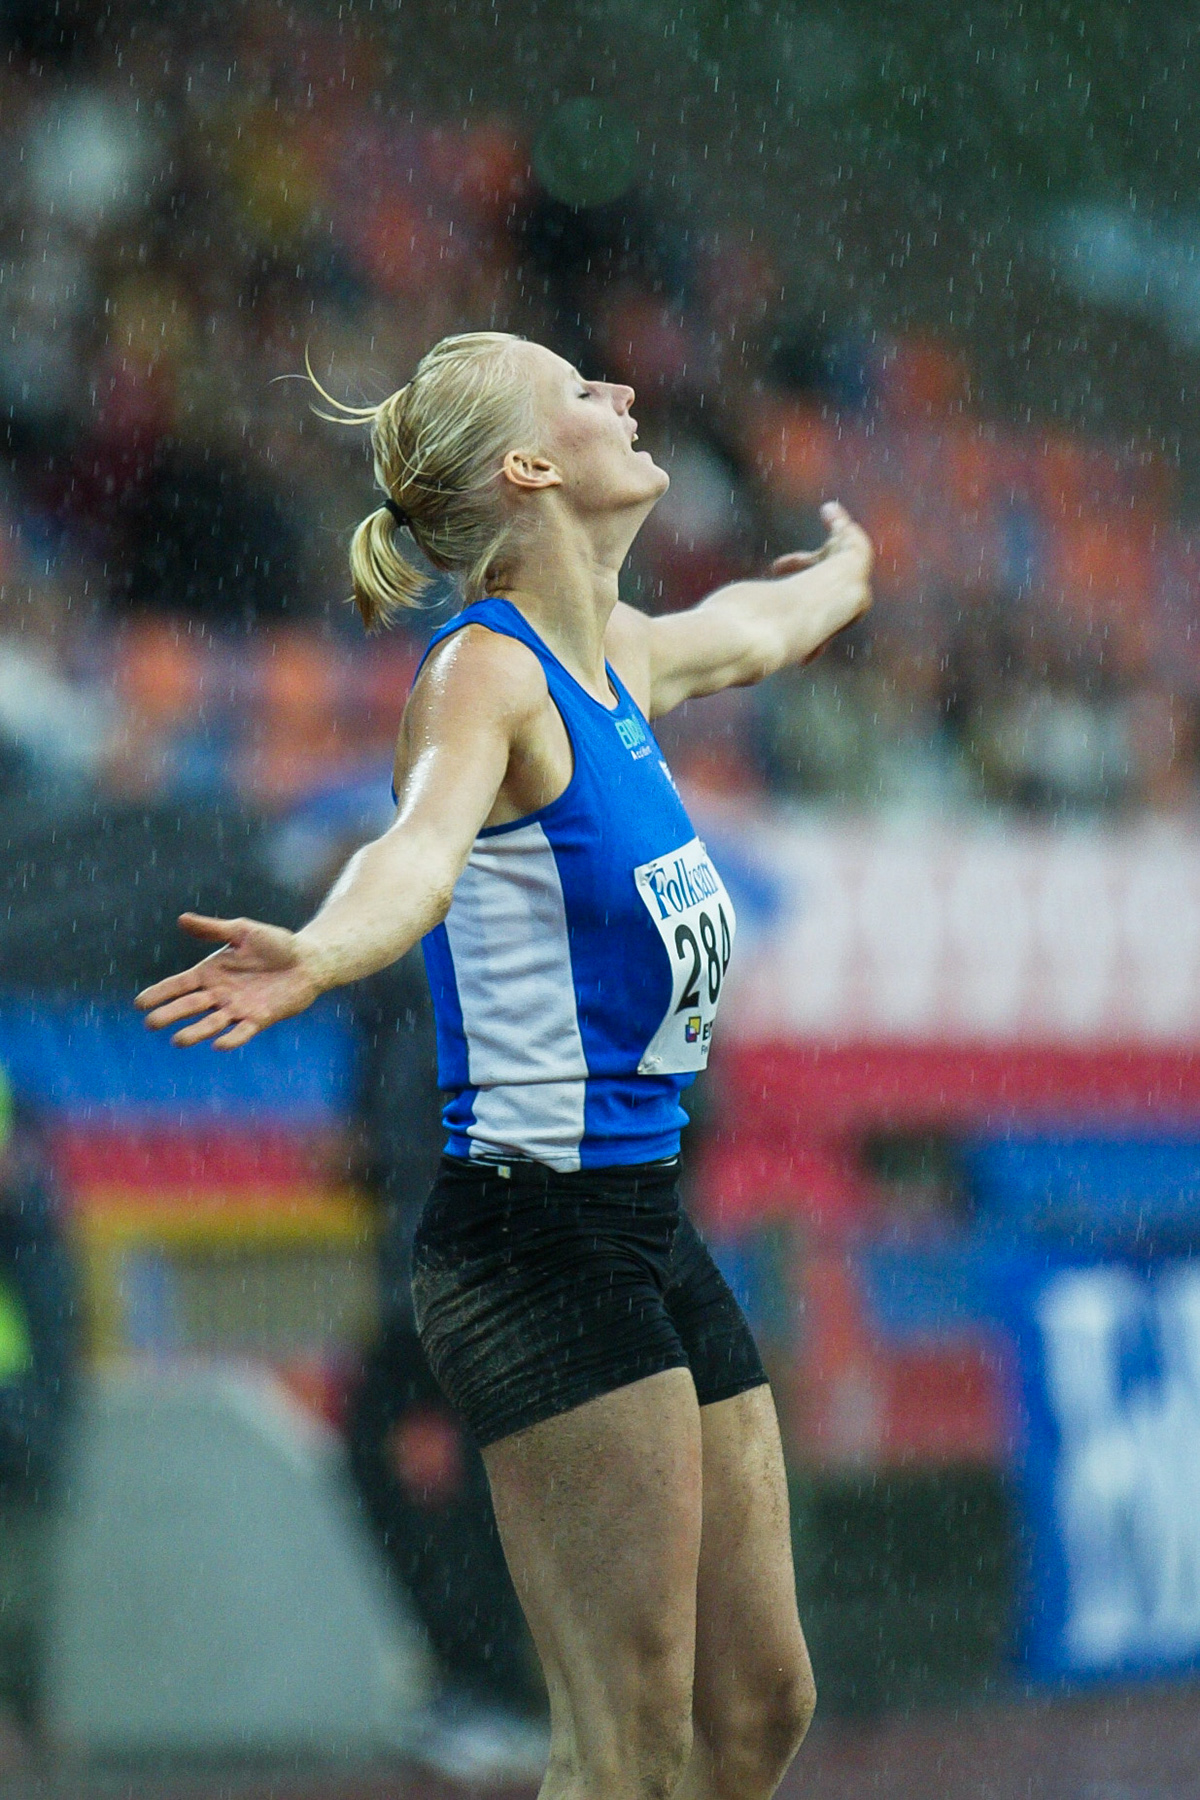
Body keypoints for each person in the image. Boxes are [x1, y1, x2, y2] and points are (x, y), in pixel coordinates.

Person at [136, 330, 872, 1800]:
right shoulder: (486, 674)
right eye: (584, 391)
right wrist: (325, 952)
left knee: (761, 1705)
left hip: (644, 1221)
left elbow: (757, 630)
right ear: (531, 469)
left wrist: (849, 570)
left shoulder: (624, 665)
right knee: (629, 1747)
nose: (624, 395)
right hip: (534, 1237)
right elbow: (413, 851)